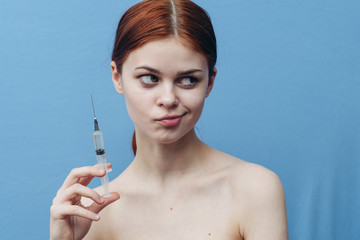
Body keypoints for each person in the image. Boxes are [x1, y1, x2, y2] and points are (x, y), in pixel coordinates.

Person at [50, 0, 288, 239]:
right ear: (117, 77)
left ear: (210, 82)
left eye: (187, 80)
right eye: (150, 78)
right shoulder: (92, 213)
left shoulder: (254, 189)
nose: (168, 99)